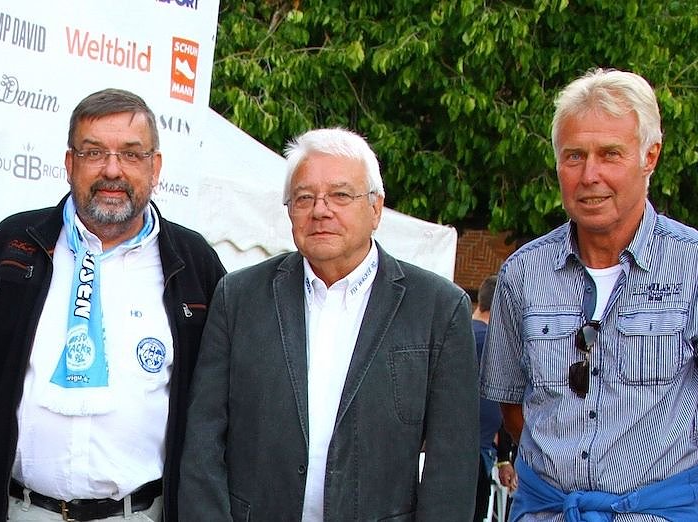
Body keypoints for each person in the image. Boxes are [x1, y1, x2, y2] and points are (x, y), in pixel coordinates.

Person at [481, 68, 698, 520]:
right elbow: (512, 403)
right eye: (574, 156)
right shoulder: (522, 274)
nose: (590, 175)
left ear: (650, 156)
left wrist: (682, 508)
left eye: (610, 154)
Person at [180, 127, 478, 520]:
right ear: (289, 210)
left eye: (340, 195)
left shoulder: (439, 308)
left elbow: (452, 465)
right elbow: (203, 439)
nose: (320, 210)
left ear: (376, 208)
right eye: (304, 197)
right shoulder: (238, 297)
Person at [0, 88, 226, 521]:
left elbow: (219, 401)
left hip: (139, 513)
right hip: (21, 510)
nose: (112, 169)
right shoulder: (13, 246)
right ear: (69, 163)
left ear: (155, 167)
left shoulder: (194, 263)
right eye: (93, 153)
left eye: (131, 154)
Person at [473, 274, 512, 520]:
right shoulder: (494, 343)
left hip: (449, 450)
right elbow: (508, 398)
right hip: (476, 451)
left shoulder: (456, 332)